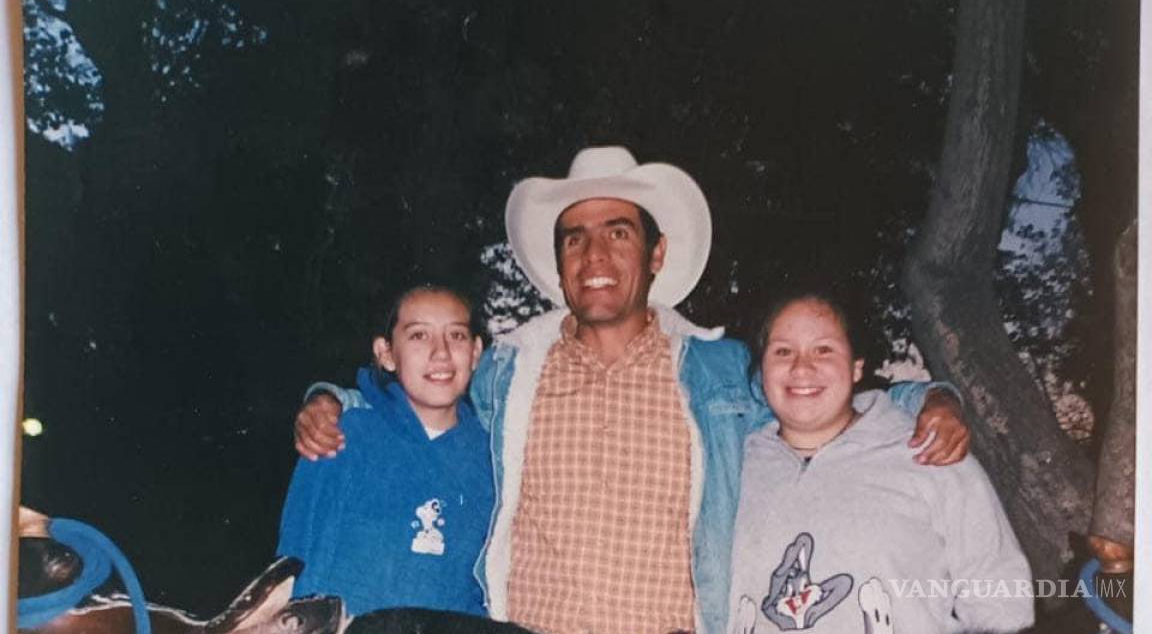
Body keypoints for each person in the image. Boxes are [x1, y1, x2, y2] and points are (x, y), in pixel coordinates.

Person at [293, 146, 971, 634]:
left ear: (655, 255)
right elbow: (415, 397)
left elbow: (822, 397)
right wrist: (332, 399)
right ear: (558, 265)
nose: (594, 256)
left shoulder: (718, 376)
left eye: (618, 233)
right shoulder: (506, 372)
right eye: (575, 238)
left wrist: (927, 398)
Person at [728, 290, 1033, 633]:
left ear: (857, 366)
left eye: (823, 349)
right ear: (762, 370)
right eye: (783, 351)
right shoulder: (731, 466)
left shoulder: (928, 451)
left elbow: (1002, 603)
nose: (802, 367)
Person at [277, 285, 494, 617]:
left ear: (476, 352)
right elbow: (296, 560)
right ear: (386, 353)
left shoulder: (493, 457)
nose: (441, 352)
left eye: (457, 336)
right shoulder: (341, 434)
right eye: (419, 335)